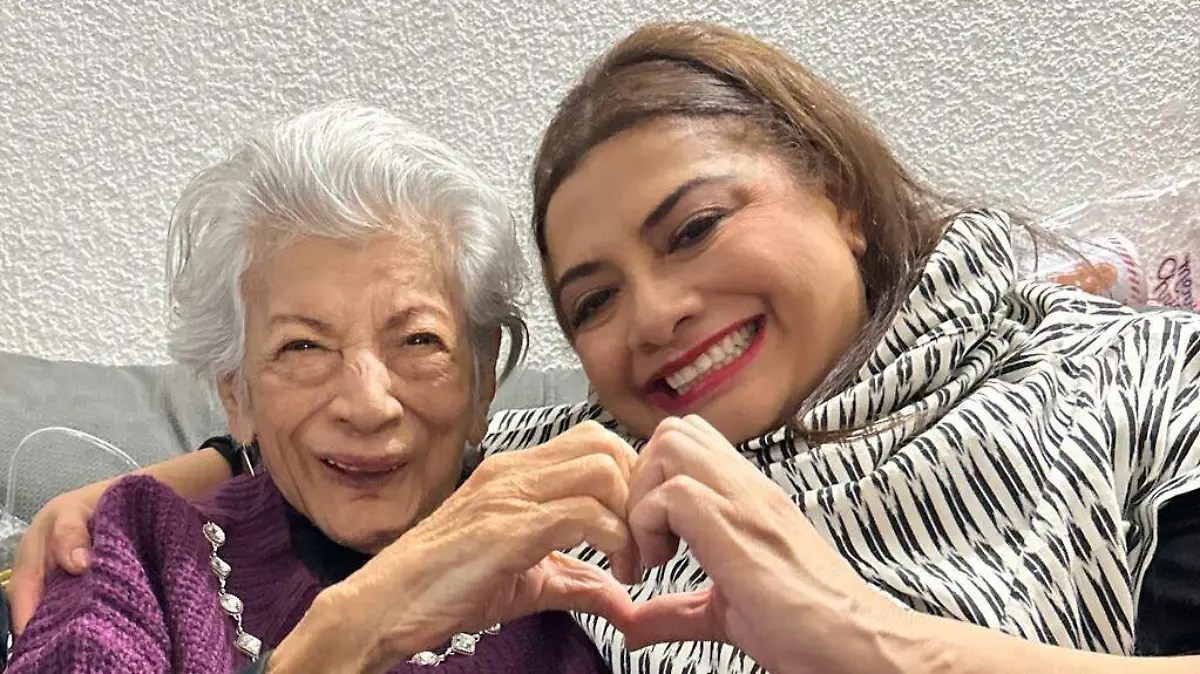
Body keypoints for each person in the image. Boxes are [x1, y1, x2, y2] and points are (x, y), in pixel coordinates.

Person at [10, 21, 1200, 673]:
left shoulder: (1132, 380)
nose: (658, 313)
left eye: (695, 226)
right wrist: (163, 479)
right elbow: (371, 452)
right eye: (594, 298)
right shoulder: (575, 469)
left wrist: (862, 638)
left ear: (841, 192)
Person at [2, 103, 646, 673]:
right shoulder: (136, 556)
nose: (367, 406)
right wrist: (347, 637)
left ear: (483, 378)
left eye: (418, 340)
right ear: (236, 394)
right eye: (303, 347)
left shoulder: (591, 580)